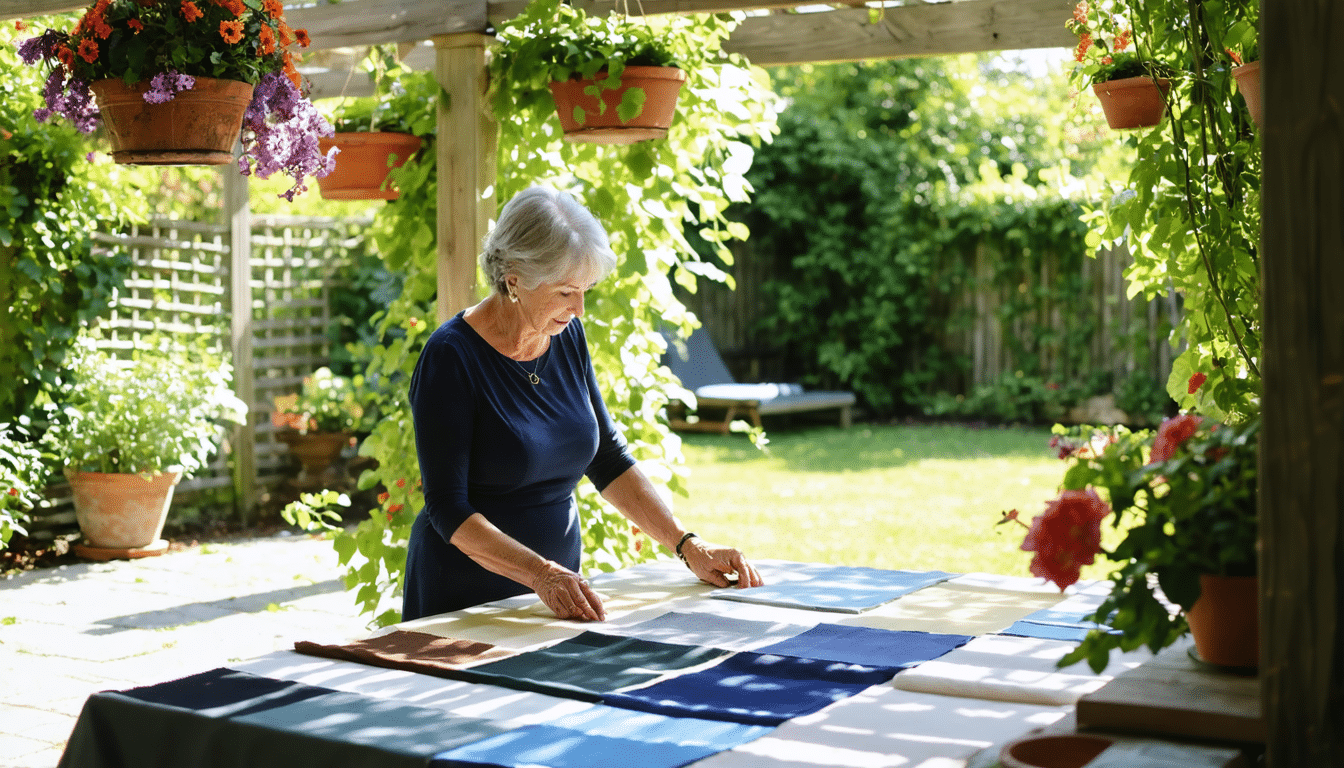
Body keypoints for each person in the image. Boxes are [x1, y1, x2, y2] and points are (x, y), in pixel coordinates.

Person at [402, 186, 763, 622]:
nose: (580, 308)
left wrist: (688, 546)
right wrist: (540, 573)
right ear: (514, 279)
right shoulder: (451, 357)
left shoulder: (564, 335)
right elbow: (447, 507)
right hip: (465, 595)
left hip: (556, 594)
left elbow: (608, 459)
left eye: (586, 289)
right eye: (565, 292)